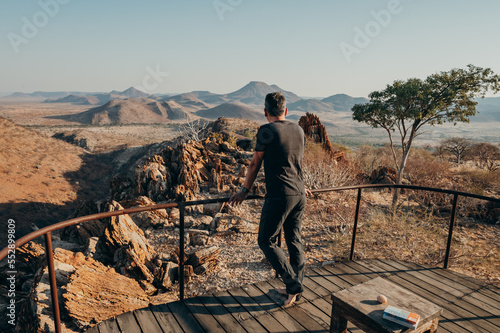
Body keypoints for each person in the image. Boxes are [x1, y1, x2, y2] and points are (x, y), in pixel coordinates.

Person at [229, 92, 310, 307]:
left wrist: (244, 191)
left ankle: (293, 285)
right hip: (299, 193)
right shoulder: (299, 130)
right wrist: (303, 186)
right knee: (294, 240)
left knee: (266, 240)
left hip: (280, 195)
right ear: (286, 111)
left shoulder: (266, 131)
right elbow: (296, 161)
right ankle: (295, 287)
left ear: (265, 112)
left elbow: (255, 163)